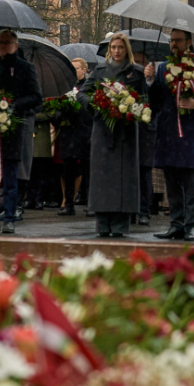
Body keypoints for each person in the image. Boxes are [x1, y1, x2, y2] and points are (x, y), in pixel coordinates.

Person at [148, 30, 194, 241]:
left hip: (191, 132)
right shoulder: (162, 67)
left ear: (189, 42)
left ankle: (192, 225)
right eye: (171, 40)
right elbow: (154, 102)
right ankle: (176, 224)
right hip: (168, 132)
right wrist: (150, 80)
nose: (173, 44)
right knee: (171, 181)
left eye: (178, 40)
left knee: (191, 182)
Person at [0, 30, 41, 234]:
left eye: (6, 43)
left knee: (10, 176)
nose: (2, 46)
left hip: (11, 129)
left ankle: (9, 217)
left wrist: (13, 104)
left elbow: (36, 97)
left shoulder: (25, 68)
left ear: (15, 45)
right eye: (0, 43)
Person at [79, 34, 147, 237]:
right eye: (114, 47)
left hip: (126, 134)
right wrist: (96, 104)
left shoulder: (136, 73)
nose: (117, 51)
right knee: (102, 180)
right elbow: (82, 93)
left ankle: (120, 225)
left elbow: (145, 100)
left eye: (120, 47)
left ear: (127, 49)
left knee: (125, 180)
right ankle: (103, 224)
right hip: (103, 133)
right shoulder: (100, 70)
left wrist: (131, 106)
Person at [51, 59, 89, 216]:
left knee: (87, 170)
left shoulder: (88, 88)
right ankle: (69, 204)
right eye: (72, 68)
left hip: (84, 133)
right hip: (68, 134)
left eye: (77, 68)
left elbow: (90, 110)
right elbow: (55, 113)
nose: (75, 71)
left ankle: (90, 203)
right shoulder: (64, 88)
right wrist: (62, 111)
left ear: (84, 70)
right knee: (68, 169)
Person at [135, 50, 158, 225]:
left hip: (147, 133)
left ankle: (144, 210)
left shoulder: (155, 82)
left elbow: (155, 102)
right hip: (129, 131)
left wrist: (149, 80)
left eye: (141, 62)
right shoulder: (129, 77)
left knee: (144, 173)